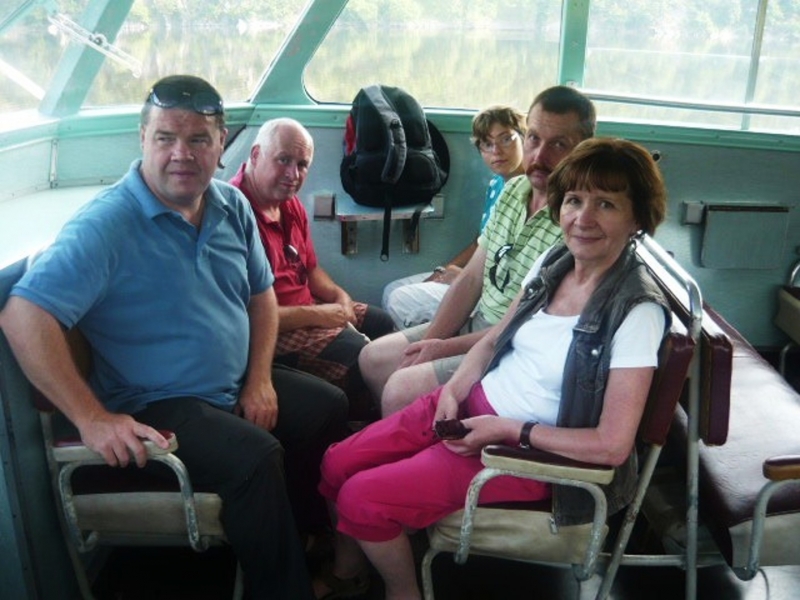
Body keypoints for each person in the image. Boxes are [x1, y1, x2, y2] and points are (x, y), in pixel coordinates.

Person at [0, 75, 349, 599]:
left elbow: (261, 296)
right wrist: (92, 418)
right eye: (166, 138)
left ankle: (297, 536)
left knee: (328, 406)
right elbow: (21, 315)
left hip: (230, 384)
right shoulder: (107, 225)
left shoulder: (231, 207)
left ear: (221, 143)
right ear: (143, 139)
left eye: (198, 139)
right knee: (255, 457)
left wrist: (259, 379)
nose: (181, 154)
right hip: (156, 402)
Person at [314, 137, 670, 600]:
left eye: (606, 204)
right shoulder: (555, 261)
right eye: (574, 200)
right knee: (336, 462)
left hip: (523, 454)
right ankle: (350, 572)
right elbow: (495, 338)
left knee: (363, 498)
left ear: (637, 217)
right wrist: (454, 389)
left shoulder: (636, 310)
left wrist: (508, 430)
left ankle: (404, 592)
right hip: (473, 407)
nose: (583, 218)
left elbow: (612, 445)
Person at [359, 85, 596, 416]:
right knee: (372, 359)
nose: (539, 157)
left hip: (510, 347)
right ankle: (399, 433)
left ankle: (409, 440)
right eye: (534, 138)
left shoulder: (577, 223)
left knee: (401, 388)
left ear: (582, 149)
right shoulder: (514, 190)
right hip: (477, 323)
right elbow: (472, 279)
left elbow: (522, 326)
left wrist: (442, 349)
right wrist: (430, 343)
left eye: (559, 145)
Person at [229, 118, 395, 417]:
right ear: (255, 155)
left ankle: (376, 412)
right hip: (270, 329)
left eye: (302, 164)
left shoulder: (289, 203)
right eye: (283, 160)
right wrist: (321, 315)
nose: (293, 175)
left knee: (381, 323)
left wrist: (340, 298)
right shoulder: (233, 214)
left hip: (307, 309)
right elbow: (245, 316)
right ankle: (360, 425)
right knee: (361, 357)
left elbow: (311, 270)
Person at [381, 105, 527, 329]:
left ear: (525, 139)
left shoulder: (528, 193)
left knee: (401, 300)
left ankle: (436, 345)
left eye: (506, 139)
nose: (496, 151)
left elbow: (513, 267)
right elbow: (480, 242)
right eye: (487, 144)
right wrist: (444, 270)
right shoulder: (497, 185)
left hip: (495, 294)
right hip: (477, 276)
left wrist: (462, 278)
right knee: (392, 289)